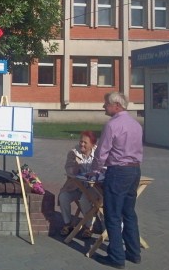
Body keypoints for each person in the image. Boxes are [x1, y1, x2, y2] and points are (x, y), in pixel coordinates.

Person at [91, 92, 143, 269]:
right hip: (134, 169)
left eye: (106, 104)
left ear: (116, 106)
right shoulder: (136, 124)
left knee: (112, 214)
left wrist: (95, 171)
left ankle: (116, 257)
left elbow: (102, 152)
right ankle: (134, 253)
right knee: (129, 212)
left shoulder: (112, 125)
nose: (103, 106)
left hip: (118, 171)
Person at [58, 131, 98, 238]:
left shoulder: (98, 154)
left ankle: (88, 226)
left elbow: (102, 170)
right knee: (63, 197)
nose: (82, 144)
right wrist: (75, 167)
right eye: (81, 141)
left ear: (93, 145)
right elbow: (69, 170)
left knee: (85, 199)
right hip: (76, 186)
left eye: (85, 142)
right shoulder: (73, 152)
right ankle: (67, 223)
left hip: (93, 188)